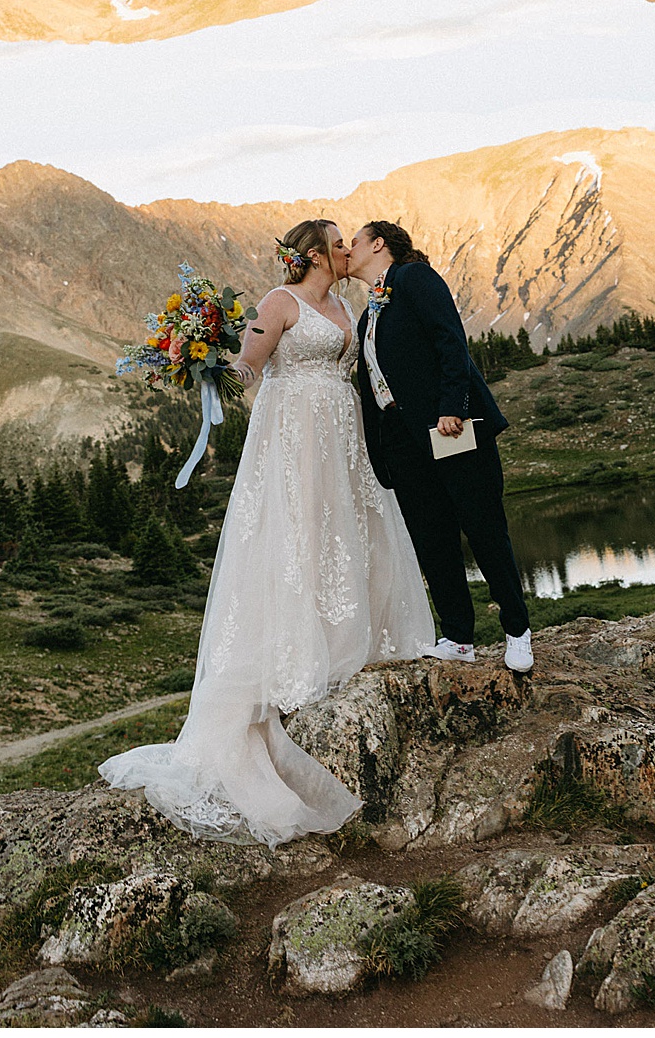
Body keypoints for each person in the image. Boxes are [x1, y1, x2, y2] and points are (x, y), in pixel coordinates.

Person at [99, 219, 434, 847]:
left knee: (349, 535)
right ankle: (295, 655)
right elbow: (248, 368)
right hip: (293, 438)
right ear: (312, 253)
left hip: (343, 439)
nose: (346, 249)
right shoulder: (278, 303)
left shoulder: (347, 307)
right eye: (337, 241)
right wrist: (204, 358)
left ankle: (347, 638)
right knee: (298, 538)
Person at [347, 219, 533, 672]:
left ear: (378, 244)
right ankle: (459, 637)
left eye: (353, 242)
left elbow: (450, 339)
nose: (347, 250)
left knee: (484, 528)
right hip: (403, 441)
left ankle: (517, 631)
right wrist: (382, 448)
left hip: (448, 429)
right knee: (433, 539)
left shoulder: (414, 278)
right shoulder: (368, 314)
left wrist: (453, 407)